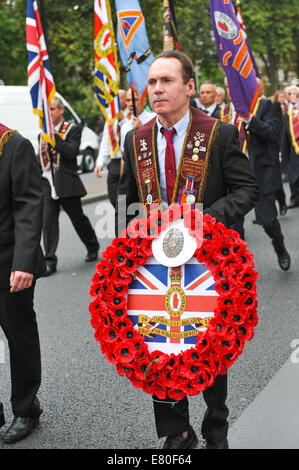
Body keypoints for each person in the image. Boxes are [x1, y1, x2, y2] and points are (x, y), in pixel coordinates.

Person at [116, 50, 259, 449]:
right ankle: (176, 432)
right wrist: (125, 246)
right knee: (160, 344)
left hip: (210, 264)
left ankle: (216, 429)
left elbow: (248, 190)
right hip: (156, 267)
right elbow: (127, 199)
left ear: (189, 86)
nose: (157, 89)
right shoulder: (137, 139)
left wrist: (204, 220)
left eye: (167, 81)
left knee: (210, 346)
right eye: (152, 83)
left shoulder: (219, 133)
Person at [0, 123, 44, 443]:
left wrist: (23, 262)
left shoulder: (14, 145)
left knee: (19, 337)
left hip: (8, 262)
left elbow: (29, 205)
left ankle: (26, 408)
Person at [40, 95, 99, 276]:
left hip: (67, 184)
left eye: (51, 109)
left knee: (78, 219)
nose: (48, 113)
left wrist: (54, 138)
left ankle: (92, 245)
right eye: (47, 110)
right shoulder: (42, 133)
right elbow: (41, 159)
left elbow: (71, 152)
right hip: (48, 185)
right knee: (48, 223)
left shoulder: (72, 129)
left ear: (61, 110)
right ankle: (49, 260)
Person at [239, 78, 291, 271]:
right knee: (234, 225)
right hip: (236, 174)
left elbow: (271, 133)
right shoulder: (230, 110)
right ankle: (238, 265)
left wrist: (250, 121)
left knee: (268, 220)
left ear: (258, 88)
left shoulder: (268, 105)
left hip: (260, 172)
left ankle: (280, 248)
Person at [94, 90, 129, 208]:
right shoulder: (110, 118)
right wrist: (100, 163)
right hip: (114, 162)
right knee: (114, 198)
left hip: (127, 161)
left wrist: (123, 120)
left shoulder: (132, 116)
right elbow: (105, 141)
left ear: (125, 101)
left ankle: (126, 223)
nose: (115, 101)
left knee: (126, 199)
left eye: (119, 98)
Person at [281, 86, 299, 208]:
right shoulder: (286, 113)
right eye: (289, 93)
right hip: (293, 148)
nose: (292, 96)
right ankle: (295, 198)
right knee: (294, 174)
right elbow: (285, 136)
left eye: (294, 93)